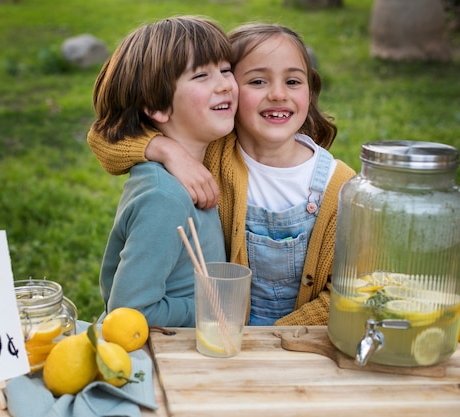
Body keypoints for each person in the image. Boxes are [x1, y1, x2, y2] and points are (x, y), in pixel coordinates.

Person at [87, 23, 356, 326]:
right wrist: (166, 150)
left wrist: (269, 343)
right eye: (256, 81)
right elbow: (106, 137)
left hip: (290, 345)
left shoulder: (340, 186)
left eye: (293, 81)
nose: (279, 93)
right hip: (216, 339)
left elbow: (350, 291)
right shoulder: (215, 152)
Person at [92, 16, 238, 327]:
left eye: (226, 70)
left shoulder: (209, 153)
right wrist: (212, 310)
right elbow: (130, 313)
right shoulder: (165, 198)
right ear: (157, 107)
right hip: (166, 361)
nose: (225, 83)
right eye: (201, 76)